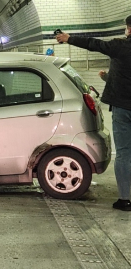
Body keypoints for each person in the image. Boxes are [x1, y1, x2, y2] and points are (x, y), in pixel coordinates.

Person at [56, 15, 131, 210]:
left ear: (129, 29)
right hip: (123, 104)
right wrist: (107, 77)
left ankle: (125, 199)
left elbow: (93, 44)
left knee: (124, 154)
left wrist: (69, 38)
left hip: (123, 109)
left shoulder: (120, 46)